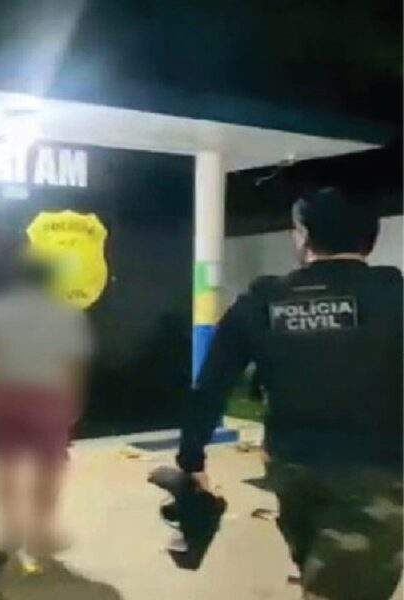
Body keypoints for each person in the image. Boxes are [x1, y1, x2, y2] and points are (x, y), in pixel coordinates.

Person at [177, 188, 402, 599]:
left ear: (303, 236)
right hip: (376, 473)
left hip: (292, 470)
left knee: (323, 576)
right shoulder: (395, 297)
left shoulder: (262, 300)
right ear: (370, 239)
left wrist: (191, 458)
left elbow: (209, 385)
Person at [0, 257, 91, 571]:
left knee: (5, 463)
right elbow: (72, 362)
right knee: (49, 465)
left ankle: (9, 528)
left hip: (4, 396)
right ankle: (41, 531)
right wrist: (73, 400)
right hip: (47, 397)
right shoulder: (64, 314)